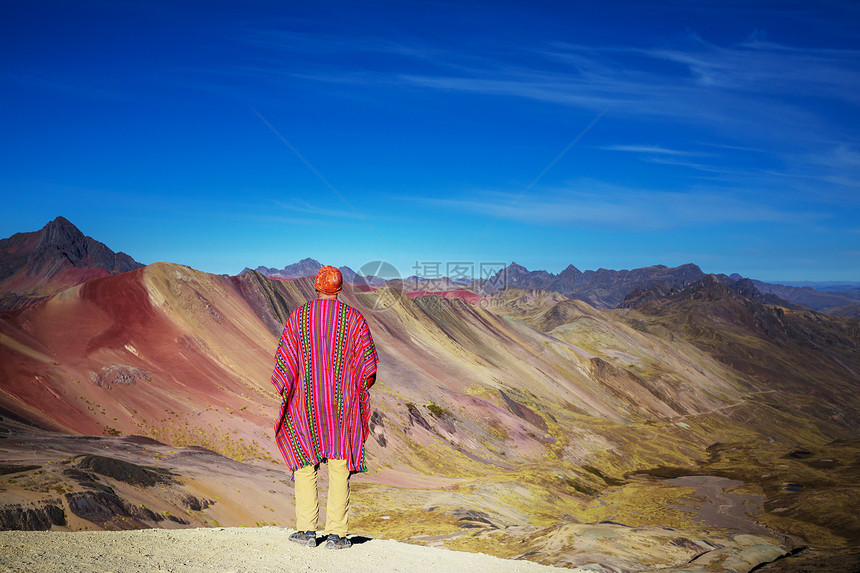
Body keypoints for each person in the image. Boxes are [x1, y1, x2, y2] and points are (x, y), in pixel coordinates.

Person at [270, 265, 379, 549]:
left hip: (305, 403)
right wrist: (355, 386)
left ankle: (306, 532)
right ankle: (337, 535)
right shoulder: (353, 319)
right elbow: (368, 366)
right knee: (339, 465)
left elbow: (284, 361)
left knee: (305, 464)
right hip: (341, 406)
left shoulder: (300, 317)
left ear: (316, 287)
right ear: (339, 289)